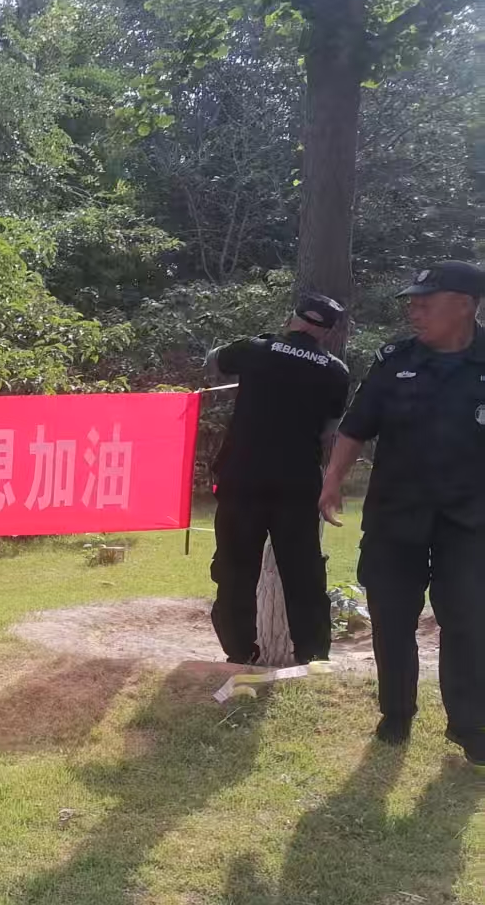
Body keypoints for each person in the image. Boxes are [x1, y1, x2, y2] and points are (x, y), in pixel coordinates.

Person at [320, 260, 485, 767]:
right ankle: (396, 714)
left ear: (465, 305)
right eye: (411, 302)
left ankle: (471, 726)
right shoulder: (394, 360)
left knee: (468, 621)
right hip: (395, 514)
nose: (414, 310)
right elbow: (356, 426)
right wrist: (331, 481)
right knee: (392, 619)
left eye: (425, 302)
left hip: (471, 520)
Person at [205, 293, 350, 666]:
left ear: (293, 318)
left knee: (236, 568)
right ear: (328, 333)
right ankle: (312, 655)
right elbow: (329, 430)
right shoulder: (335, 371)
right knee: (303, 572)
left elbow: (214, 361)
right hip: (297, 483)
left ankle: (240, 652)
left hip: (242, 479)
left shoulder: (256, 349)